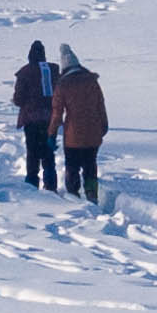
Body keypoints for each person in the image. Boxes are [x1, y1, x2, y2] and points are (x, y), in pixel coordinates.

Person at [51, 43, 107, 201]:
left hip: (73, 135)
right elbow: (100, 105)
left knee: (72, 167)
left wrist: (51, 133)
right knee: (90, 166)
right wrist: (103, 126)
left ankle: (73, 196)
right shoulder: (92, 81)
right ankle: (91, 194)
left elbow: (57, 113)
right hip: (93, 133)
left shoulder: (63, 85)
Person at [10, 40, 56, 187]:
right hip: (50, 117)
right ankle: (51, 183)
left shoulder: (25, 72)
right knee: (48, 151)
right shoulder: (53, 70)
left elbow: (18, 99)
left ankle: (32, 183)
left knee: (32, 152)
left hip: (31, 118)